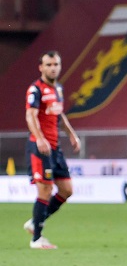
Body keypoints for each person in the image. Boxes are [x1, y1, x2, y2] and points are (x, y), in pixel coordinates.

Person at [24, 51, 81, 249]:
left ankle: (35, 221)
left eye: (56, 64)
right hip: (40, 147)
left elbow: (59, 114)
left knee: (66, 190)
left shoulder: (58, 88)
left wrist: (72, 134)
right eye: (48, 64)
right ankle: (36, 239)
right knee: (45, 190)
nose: (53, 68)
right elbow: (30, 116)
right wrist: (39, 139)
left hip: (55, 148)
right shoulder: (35, 89)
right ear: (41, 67)